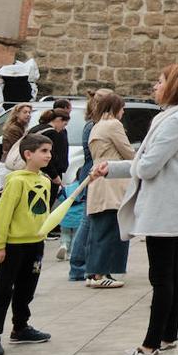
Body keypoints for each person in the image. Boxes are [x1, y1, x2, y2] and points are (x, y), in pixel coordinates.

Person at [104, 63, 178, 355]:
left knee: (162, 279)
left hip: (165, 210)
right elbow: (146, 162)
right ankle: (168, 342)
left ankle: (149, 349)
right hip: (169, 208)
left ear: (173, 85)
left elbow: (147, 167)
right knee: (170, 276)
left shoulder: (176, 121)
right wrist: (111, 168)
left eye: (159, 81)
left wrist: (125, 166)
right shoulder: (176, 118)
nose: (155, 87)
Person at [0, 135, 108, 355]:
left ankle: (20, 328)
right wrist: (0, 245)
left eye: (50, 151)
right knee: (3, 290)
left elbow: (67, 197)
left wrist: (90, 178)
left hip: (35, 243)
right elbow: (1, 214)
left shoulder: (45, 180)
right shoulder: (16, 181)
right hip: (14, 245)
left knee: (26, 289)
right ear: (28, 154)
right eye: (44, 151)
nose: (49, 155)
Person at [85, 94, 134, 289]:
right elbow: (128, 152)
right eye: (122, 108)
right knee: (110, 228)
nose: (123, 112)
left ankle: (93, 272)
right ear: (115, 108)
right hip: (112, 179)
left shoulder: (96, 125)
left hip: (98, 177)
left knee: (98, 228)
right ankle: (100, 273)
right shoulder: (113, 124)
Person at [69, 90, 113, 282]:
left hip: (92, 173)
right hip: (94, 175)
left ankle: (82, 266)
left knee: (90, 220)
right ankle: (78, 266)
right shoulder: (94, 125)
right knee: (89, 221)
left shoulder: (93, 124)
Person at [0, 103, 33, 170]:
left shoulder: (21, 127)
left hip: (12, 163)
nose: (28, 115)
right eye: (25, 112)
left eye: (29, 112)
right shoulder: (13, 129)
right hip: (9, 164)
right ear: (17, 114)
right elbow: (17, 147)